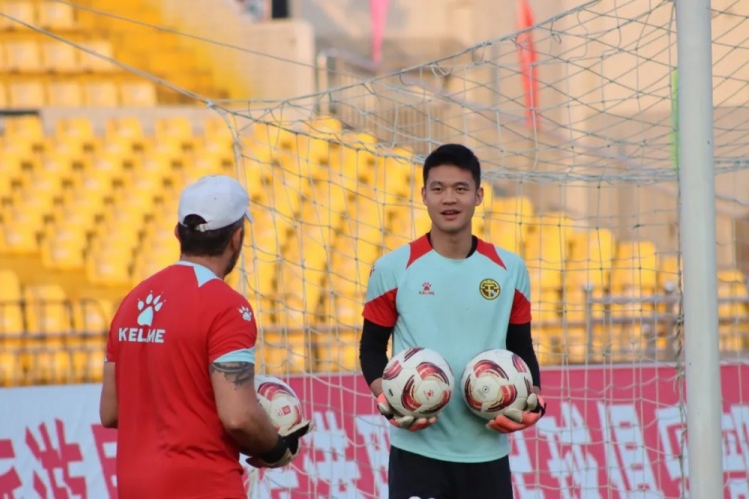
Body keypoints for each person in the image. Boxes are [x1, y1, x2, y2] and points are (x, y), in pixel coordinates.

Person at [99, 174, 311, 499]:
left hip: (135, 486)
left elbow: (110, 412)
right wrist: (275, 447)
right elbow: (239, 416)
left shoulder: (132, 301)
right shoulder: (227, 307)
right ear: (236, 238)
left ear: (177, 233)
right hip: (203, 486)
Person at [359, 144, 546, 499]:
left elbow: (521, 347)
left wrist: (534, 401)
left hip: (487, 451)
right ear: (424, 195)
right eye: (438, 188)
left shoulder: (510, 269)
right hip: (418, 452)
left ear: (478, 195)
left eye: (460, 189)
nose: (449, 199)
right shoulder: (392, 268)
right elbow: (370, 348)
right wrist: (388, 399)